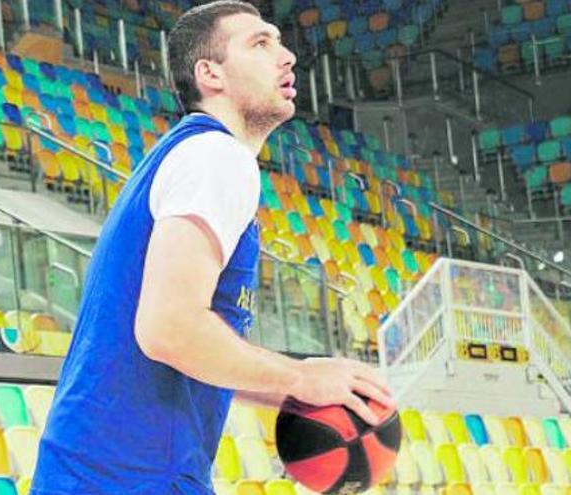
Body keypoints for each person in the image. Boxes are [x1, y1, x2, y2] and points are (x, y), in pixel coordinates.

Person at [31, 2, 393, 494]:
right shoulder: (216, 156)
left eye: (281, 42)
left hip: (110, 471)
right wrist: (299, 379)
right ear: (210, 74)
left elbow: (180, 348)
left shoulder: (191, 155)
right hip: (128, 476)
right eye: (260, 43)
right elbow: (168, 329)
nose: (286, 57)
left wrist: (290, 390)